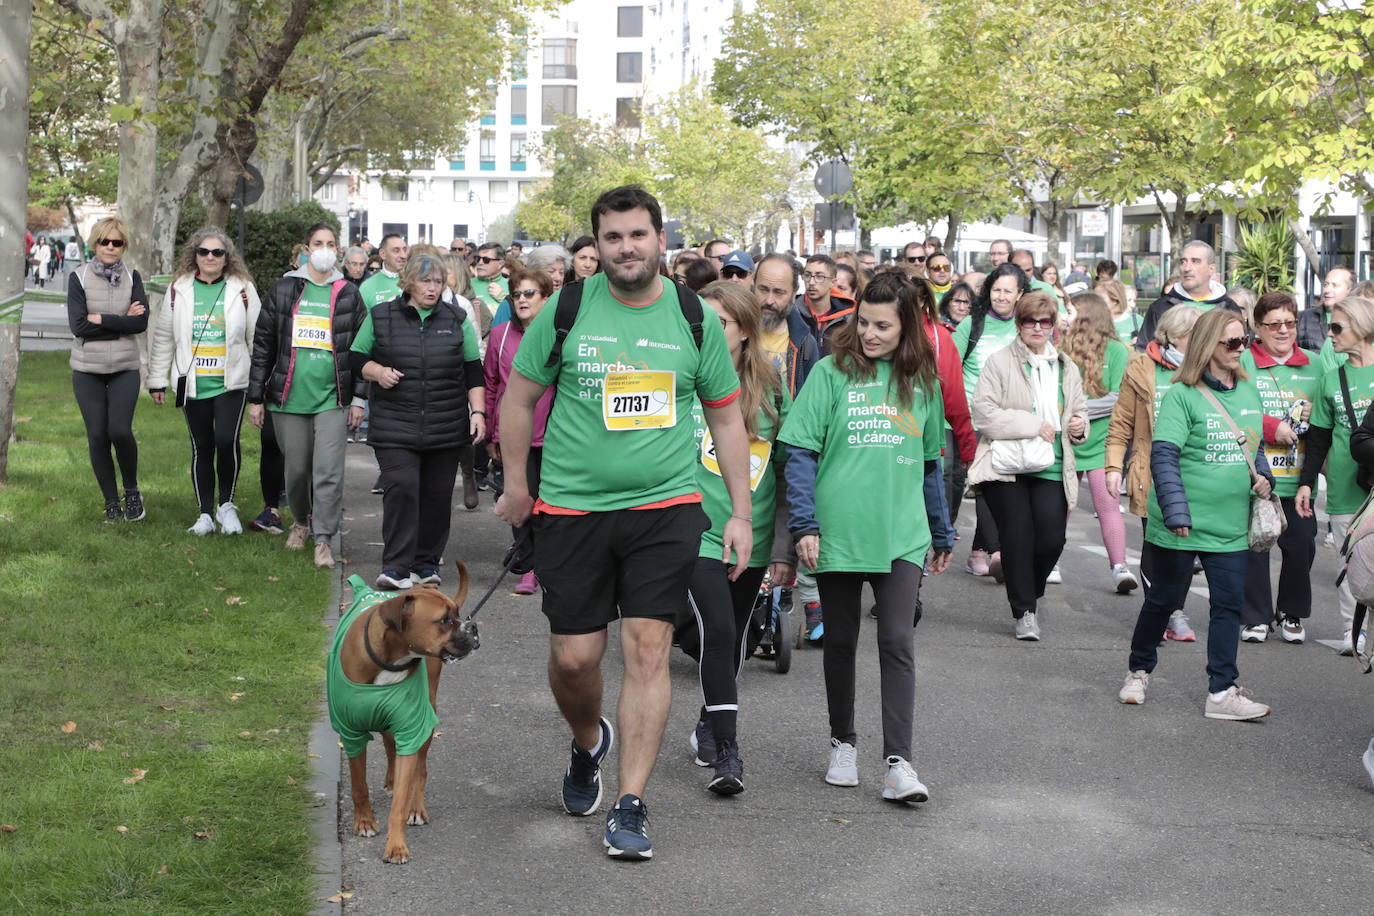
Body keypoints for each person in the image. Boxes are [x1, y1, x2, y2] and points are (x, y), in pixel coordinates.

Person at [494, 185, 751, 861]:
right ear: (597, 245)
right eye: (612, 237)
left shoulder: (694, 317)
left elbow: (726, 416)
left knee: (647, 648)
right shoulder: (568, 310)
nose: (626, 248)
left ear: (659, 240)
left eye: (637, 235)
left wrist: (741, 513)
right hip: (573, 510)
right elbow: (519, 399)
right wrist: (518, 485)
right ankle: (588, 743)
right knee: (575, 658)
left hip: (664, 508)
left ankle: (631, 802)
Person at [780, 271, 945, 803]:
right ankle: (842, 743)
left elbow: (929, 464)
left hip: (901, 533)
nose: (869, 334)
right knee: (842, 641)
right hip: (839, 533)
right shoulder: (830, 372)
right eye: (863, 322)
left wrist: (941, 529)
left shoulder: (923, 382)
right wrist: (804, 525)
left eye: (882, 325)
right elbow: (800, 453)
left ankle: (899, 764)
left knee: (897, 640)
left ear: (907, 328)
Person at [1117, 308, 1274, 721]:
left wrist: (1266, 480)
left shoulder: (1248, 391)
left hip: (1230, 525)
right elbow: (1164, 457)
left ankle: (1221, 692)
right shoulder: (1181, 395)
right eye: (1233, 342)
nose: (1242, 349)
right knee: (1164, 599)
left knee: (1228, 605)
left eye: (1245, 340)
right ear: (1208, 346)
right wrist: (1175, 511)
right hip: (1180, 525)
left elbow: (1253, 447)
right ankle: (1139, 669)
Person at [684, 280, 793, 795]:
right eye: (698, 321)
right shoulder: (683, 377)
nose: (704, 331)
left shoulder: (773, 387)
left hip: (751, 534)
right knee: (719, 631)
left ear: (746, 331)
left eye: (719, 323)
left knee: (739, 639)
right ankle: (729, 752)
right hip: (696, 532)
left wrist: (786, 546)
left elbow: (792, 466)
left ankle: (710, 717)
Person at [349, 251, 484, 588]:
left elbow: (473, 370)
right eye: (426, 281)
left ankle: (425, 564)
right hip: (396, 424)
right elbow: (355, 358)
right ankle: (395, 567)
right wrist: (377, 372)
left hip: (446, 424)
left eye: (438, 282)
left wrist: (478, 412)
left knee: (437, 496)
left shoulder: (456, 319)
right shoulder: (381, 316)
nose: (433, 288)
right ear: (408, 281)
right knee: (403, 488)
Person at [968, 291, 1088, 640]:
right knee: (1018, 535)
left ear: (1053, 326)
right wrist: (1033, 424)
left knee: (1051, 539)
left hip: (1051, 463)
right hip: (1007, 465)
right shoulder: (1000, 361)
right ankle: (1024, 611)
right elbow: (984, 413)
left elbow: (1078, 409)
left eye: (1044, 322)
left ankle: (1026, 587)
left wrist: (1080, 425)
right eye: (1029, 321)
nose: (1037, 328)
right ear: (1018, 324)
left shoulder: (1066, 366)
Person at [247, 223, 365, 568]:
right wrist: (256, 397)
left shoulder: (348, 293)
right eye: (318, 243)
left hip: (333, 398)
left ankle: (324, 538)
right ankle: (301, 521)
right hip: (288, 399)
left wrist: (359, 399)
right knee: (296, 471)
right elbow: (264, 344)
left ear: (338, 250)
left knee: (328, 471)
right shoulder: (285, 289)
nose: (325, 248)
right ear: (307, 248)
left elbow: (362, 349)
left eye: (331, 243)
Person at [149, 228, 262, 535]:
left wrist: (259, 388)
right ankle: (205, 514)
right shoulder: (179, 288)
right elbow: (163, 338)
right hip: (193, 382)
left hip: (232, 383)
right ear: (194, 255)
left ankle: (226, 506)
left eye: (217, 252)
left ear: (227, 258)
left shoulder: (242, 288)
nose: (210, 257)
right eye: (204, 252)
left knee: (226, 441)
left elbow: (257, 338)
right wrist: (157, 379)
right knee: (202, 447)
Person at [1105, 304, 1205, 642]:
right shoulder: (1141, 369)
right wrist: (1113, 465)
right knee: (1155, 541)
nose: (1201, 342)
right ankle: (1168, 613)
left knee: (1184, 545)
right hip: (1150, 468)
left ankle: (1171, 606)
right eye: (1194, 336)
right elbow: (1121, 424)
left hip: (1194, 469)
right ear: (1172, 336)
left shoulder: (1208, 369)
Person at [1237, 292, 1321, 644]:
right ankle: (1255, 616)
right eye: (1274, 324)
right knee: (1256, 545)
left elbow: (1325, 416)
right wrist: (1271, 427)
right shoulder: (1243, 361)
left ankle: (1292, 611)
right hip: (1255, 475)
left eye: (1289, 323)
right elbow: (1232, 408)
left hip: (1299, 478)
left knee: (1302, 544)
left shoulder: (1315, 365)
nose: (1283, 331)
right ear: (1258, 328)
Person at [1297, 295, 1374, 655]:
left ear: (1361, 328)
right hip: (1344, 484)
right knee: (1352, 561)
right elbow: (1318, 439)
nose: (1330, 335)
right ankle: (1351, 630)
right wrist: (1307, 483)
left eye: (1338, 327)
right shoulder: (1330, 378)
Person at [66, 217, 148, 522]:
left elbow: (140, 323)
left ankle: (132, 492)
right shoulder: (79, 277)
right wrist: (120, 320)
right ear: (95, 243)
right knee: (98, 434)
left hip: (125, 366)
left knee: (120, 431)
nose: (110, 247)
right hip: (87, 369)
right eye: (104, 242)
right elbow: (78, 326)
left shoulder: (133, 276)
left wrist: (99, 319)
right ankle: (111, 501)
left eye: (117, 242)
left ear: (124, 245)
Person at [953, 262, 1030, 579]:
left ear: (1020, 294)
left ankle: (978, 551)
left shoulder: (1027, 326)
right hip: (972, 420)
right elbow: (949, 368)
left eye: (1007, 291)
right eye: (996, 289)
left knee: (1000, 487)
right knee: (983, 484)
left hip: (1011, 422)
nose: (1000, 296)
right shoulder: (972, 325)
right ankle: (996, 552)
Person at [483, 266, 556, 596]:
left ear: (546, 297)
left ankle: (546, 564)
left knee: (548, 501)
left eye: (530, 293)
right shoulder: (500, 336)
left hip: (553, 431)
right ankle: (527, 566)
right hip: (514, 434)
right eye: (516, 294)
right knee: (518, 496)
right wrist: (489, 431)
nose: (522, 300)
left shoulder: (558, 334)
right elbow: (491, 383)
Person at [1063, 293, 1136, 593]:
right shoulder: (1060, 348)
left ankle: (1119, 566)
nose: (1065, 317)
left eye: (1070, 311)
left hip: (1103, 442)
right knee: (1059, 508)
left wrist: (1076, 411)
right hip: (1066, 441)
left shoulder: (1119, 350)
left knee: (1108, 504)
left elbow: (1118, 398)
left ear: (1086, 316)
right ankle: (1048, 560)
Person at [1135, 241, 1240, 350]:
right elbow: (1144, 351)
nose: (1187, 268)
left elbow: (1239, 351)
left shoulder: (1230, 308)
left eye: (1195, 261)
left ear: (1211, 269)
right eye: (1183, 262)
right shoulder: (1160, 307)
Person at [796, 255, 855, 357]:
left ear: (833, 282)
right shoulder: (793, 313)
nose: (811, 282)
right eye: (807, 275)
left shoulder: (848, 318)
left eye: (819, 277)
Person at [1298, 266, 1353, 352]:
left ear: (1349, 289)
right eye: (1326, 285)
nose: (1327, 290)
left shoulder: (1358, 319)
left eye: (1335, 285)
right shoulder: (1304, 317)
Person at [358, 234, 408, 310]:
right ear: (383, 254)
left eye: (404, 250)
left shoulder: (416, 281)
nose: (403, 255)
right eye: (396, 250)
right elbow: (363, 320)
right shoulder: (367, 287)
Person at [1097, 277, 1140, 349]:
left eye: (1101, 298)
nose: (1095, 301)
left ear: (1115, 299)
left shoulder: (1137, 321)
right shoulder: (1092, 321)